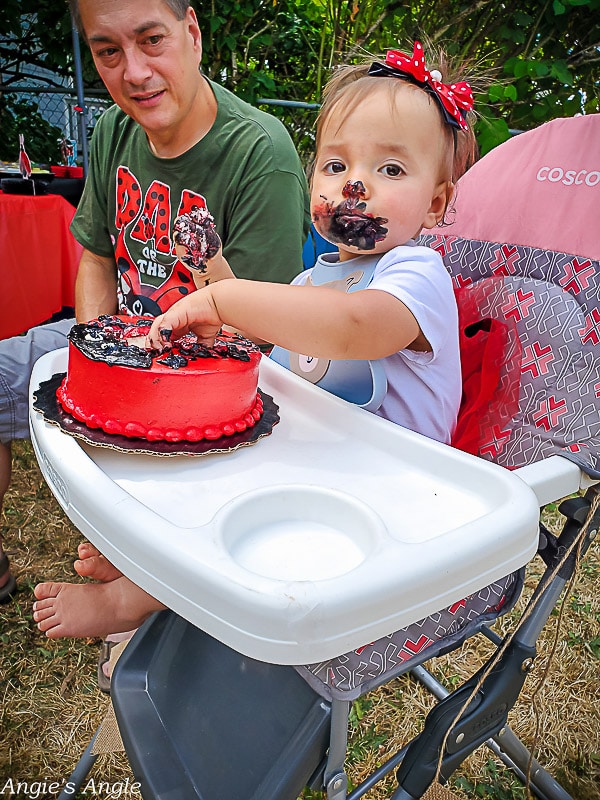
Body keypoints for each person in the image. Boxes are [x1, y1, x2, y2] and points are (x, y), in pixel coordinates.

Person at [33, 40, 478, 638]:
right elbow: (267, 331)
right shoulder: (314, 278)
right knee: (209, 468)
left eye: (390, 169)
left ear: (437, 202)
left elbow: (351, 328)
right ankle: (147, 555)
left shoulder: (416, 274)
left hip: (396, 502)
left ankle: (132, 600)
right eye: (336, 165)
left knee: (234, 503)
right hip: (331, 464)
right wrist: (213, 272)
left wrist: (225, 299)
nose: (355, 185)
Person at [0, 0, 310, 601]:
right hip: (114, 342)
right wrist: (99, 352)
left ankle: (138, 593)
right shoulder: (115, 129)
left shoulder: (260, 156)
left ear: (191, 33)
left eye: (151, 40)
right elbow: (95, 255)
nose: (134, 73)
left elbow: (261, 335)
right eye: (108, 51)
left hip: (203, 379)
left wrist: (132, 376)